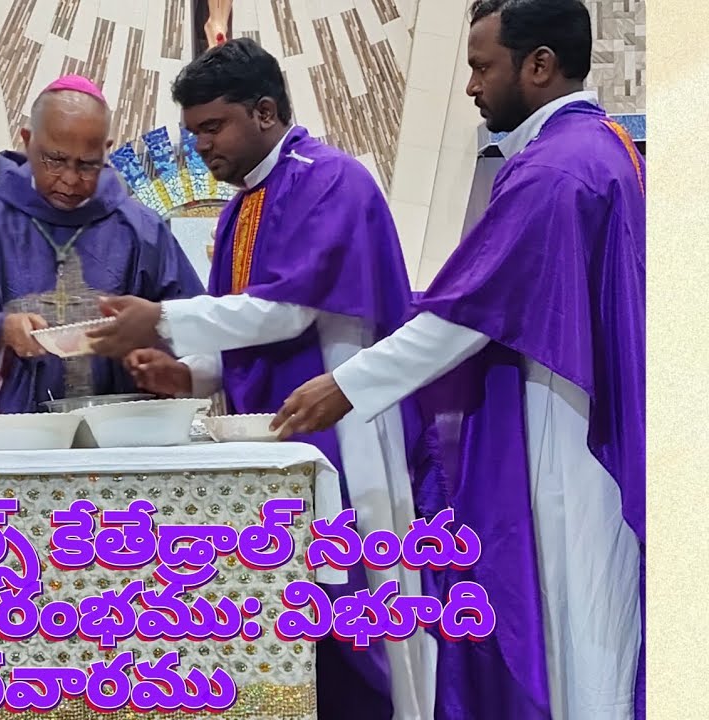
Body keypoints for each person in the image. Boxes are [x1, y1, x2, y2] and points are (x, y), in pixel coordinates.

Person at [271, 1, 645, 719]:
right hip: (587, 406)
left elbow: (463, 314)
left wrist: (348, 384)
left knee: (580, 626)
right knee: (594, 618)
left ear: (538, 66)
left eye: (481, 67)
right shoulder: (605, 146)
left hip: (571, 424)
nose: (472, 87)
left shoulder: (556, 169)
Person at [86, 38, 434, 720]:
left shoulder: (329, 178)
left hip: (347, 431)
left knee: (360, 622)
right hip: (272, 445)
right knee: (285, 625)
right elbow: (244, 332)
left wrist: (162, 318)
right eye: (192, 134)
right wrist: (184, 375)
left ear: (266, 111)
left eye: (212, 128)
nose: (201, 148)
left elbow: (290, 310)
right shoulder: (244, 203)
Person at [0, 75, 205, 451]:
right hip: (7, 449)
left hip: (115, 450)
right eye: (55, 159)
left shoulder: (139, 229)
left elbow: (188, 319)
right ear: (28, 141)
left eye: (87, 165)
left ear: (107, 151)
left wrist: (145, 342)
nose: (69, 179)